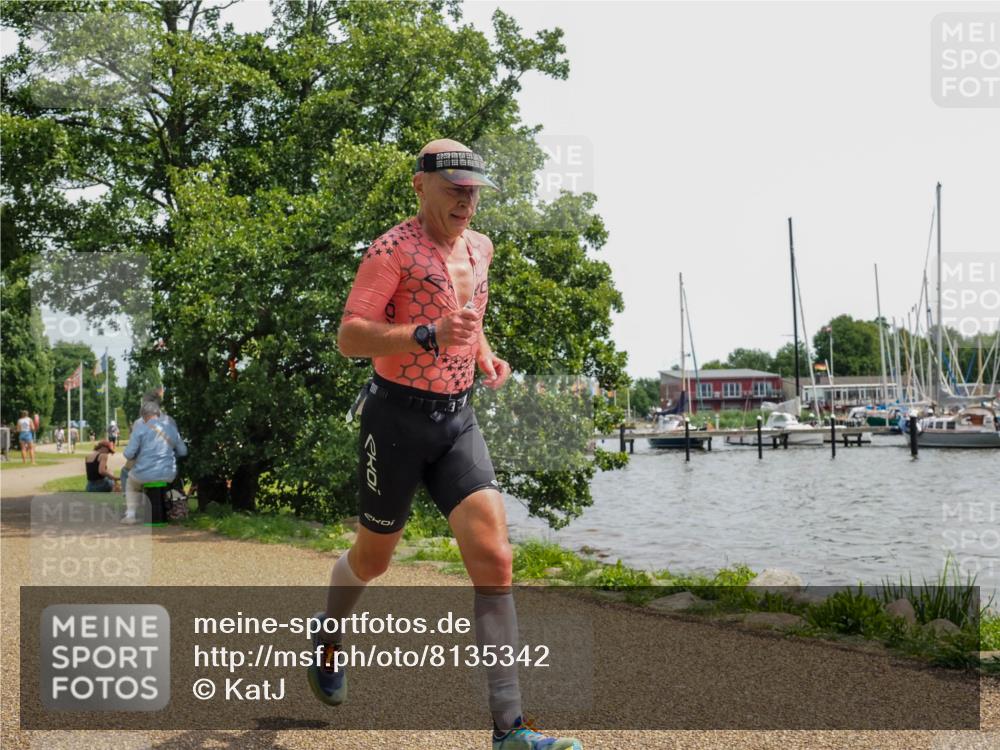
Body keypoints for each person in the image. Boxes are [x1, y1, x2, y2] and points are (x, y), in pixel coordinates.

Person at [309, 140, 581, 750]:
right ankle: (328, 632)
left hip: (457, 419)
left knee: (496, 560)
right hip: (396, 421)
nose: (467, 199)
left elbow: (472, 313)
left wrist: (482, 353)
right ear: (420, 186)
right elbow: (351, 338)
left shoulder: (481, 248)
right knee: (374, 559)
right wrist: (428, 333)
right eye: (455, 187)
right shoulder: (391, 250)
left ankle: (509, 729)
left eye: (475, 189)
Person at [120, 400, 188, 524]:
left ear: (143, 416)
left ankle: (130, 515)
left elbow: (128, 454)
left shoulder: (139, 429)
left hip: (144, 474)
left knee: (130, 482)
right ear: (158, 414)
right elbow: (183, 452)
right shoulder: (172, 429)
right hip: (169, 473)